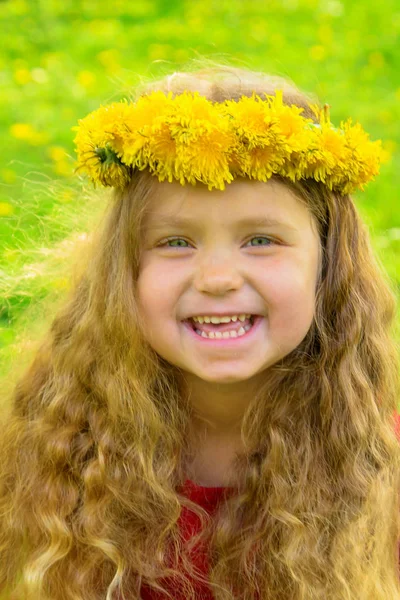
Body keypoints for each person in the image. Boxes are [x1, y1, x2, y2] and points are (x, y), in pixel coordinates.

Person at [0, 60, 399, 600]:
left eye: (261, 239)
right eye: (175, 242)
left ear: (327, 268)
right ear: (124, 273)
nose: (216, 279)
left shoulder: (380, 462)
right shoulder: (50, 453)